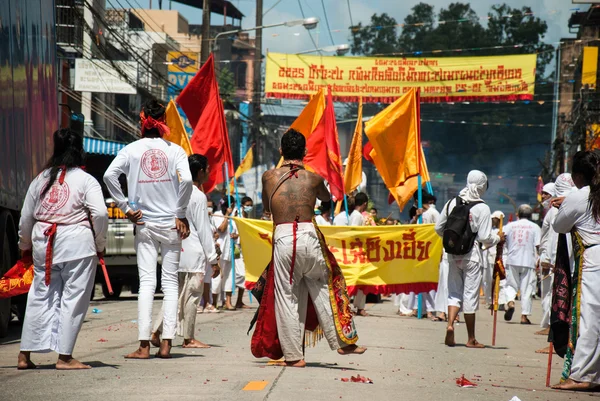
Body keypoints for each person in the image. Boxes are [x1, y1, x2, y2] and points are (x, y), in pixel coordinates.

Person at [252, 129, 365, 367]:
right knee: (325, 289)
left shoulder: (268, 176)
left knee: (287, 298)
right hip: (309, 234)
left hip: (284, 236)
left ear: (281, 151)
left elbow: (267, 208)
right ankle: (344, 341)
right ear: (305, 152)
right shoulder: (313, 178)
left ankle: (294, 357)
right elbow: (326, 198)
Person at [104, 100, 193, 359]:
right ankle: (166, 344)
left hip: (143, 223)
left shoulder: (131, 150)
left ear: (142, 121)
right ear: (163, 121)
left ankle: (144, 345)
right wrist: (180, 213)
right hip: (170, 224)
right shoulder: (175, 150)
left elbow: (109, 176)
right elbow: (186, 179)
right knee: (170, 284)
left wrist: (125, 206)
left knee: (146, 283)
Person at [17, 128, 108, 370]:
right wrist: (100, 244)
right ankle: (64, 357)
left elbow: (26, 217)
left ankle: (24, 355)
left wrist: (24, 245)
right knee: (73, 299)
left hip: (43, 243)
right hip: (77, 245)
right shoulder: (86, 180)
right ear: (80, 151)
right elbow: (99, 213)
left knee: (38, 297)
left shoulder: (41, 178)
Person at [151, 154, 219, 349]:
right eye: (207, 169)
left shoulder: (174, 192)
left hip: (174, 251)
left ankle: (156, 330)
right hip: (194, 253)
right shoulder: (197, 196)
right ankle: (188, 338)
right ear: (200, 172)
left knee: (174, 295)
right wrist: (213, 259)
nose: (209, 173)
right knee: (190, 297)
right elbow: (203, 229)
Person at [552, 151, 600, 391]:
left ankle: (582, 375)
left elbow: (559, 225)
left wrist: (565, 204)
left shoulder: (580, 196)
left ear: (579, 176)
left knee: (589, 317)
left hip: (594, 259)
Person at [435, 170, 500, 348]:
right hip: (472, 256)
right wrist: (497, 239)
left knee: (454, 293)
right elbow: (485, 236)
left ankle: (450, 325)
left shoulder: (451, 203)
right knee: (470, 296)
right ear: (482, 186)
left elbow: (438, 228)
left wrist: (452, 240)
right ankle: (471, 338)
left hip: (452, 255)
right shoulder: (483, 207)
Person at [536, 175, 574, 353]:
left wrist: (546, 258)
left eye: (546, 194)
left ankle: (557, 341)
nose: (543, 198)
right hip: (566, 261)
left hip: (560, 262)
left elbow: (552, 234)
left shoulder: (556, 210)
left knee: (557, 302)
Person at [502, 204, 541, 325]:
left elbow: (501, 238)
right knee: (527, 288)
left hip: (512, 259)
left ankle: (510, 301)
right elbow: (538, 245)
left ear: (517, 214)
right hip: (528, 260)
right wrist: (539, 260)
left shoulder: (510, 226)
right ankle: (524, 316)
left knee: (510, 284)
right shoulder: (535, 227)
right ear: (530, 215)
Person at [344, 192, 369, 316]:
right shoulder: (357, 216)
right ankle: (351, 306)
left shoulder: (355, 215)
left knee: (360, 280)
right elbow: (353, 233)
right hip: (355, 253)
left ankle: (359, 306)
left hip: (357, 252)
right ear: (365, 204)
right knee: (355, 280)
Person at [211, 196, 237, 310]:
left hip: (230, 249)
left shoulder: (234, 217)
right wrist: (227, 215)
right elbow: (221, 229)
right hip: (220, 249)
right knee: (217, 276)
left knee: (229, 276)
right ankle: (214, 302)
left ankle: (228, 301)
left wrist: (235, 235)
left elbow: (236, 232)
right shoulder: (217, 215)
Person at [199, 199, 220, 313]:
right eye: (207, 207)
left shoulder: (210, 222)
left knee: (207, 280)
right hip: (199, 254)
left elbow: (215, 234)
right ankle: (198, 304)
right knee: (199, 279)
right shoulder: (198, 220)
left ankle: (207, 303)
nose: (209, 209)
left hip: (209, 255)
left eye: (211, 207)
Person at [232, 196, 253, 309]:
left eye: (251, 205)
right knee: (239, 274)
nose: (249, 207)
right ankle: (228, 299)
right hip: (235, 247)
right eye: (247, 205)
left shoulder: (245, 214)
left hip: (243, 247)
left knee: (244, 274)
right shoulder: (237, 214)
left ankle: (239, 301)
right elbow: (235, 231)